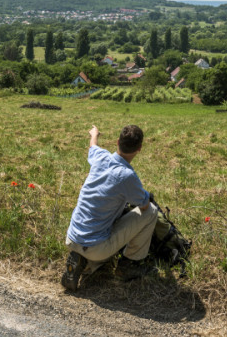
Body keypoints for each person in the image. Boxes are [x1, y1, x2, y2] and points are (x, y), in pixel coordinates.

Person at [61, 124, 159, 291]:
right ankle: (128, 265)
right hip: (95, 246)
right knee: (152, 212)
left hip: (72, 237)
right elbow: (144, 206)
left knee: (101, 238)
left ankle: (84, 262)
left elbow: (93, 146)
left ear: (117, 142)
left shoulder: (101, 157)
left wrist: (94, 133)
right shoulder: (127, 176)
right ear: (139, 148)